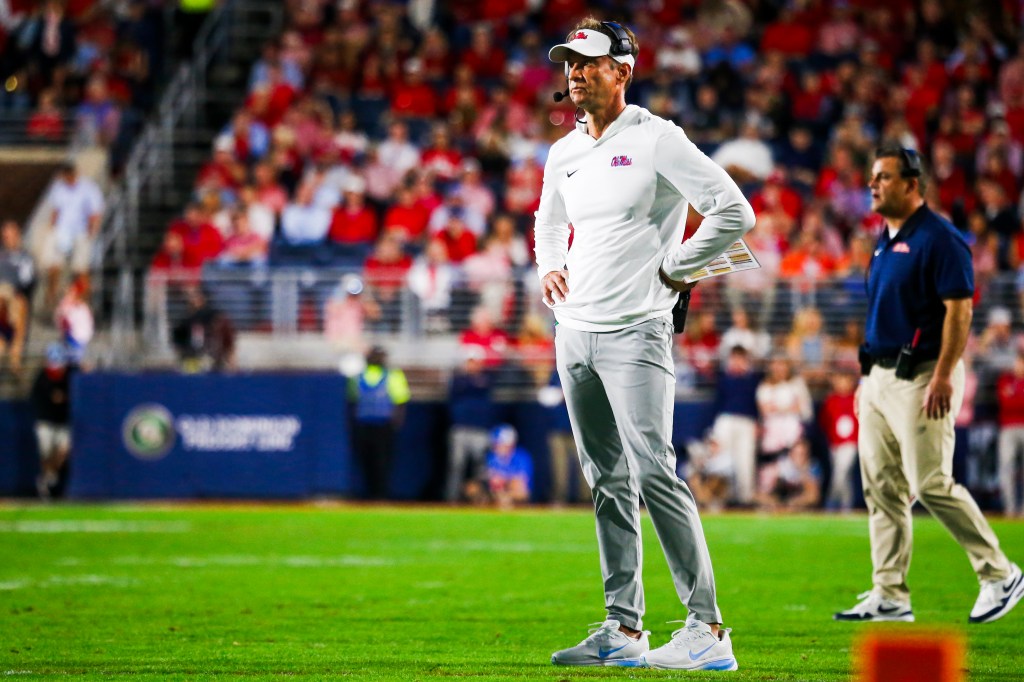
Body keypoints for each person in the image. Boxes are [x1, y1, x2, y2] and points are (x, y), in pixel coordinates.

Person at [536, 19, 754, 671]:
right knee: (605, 480)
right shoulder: (563, 152)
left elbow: (734, 211)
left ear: (623, 71)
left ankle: (708, 628)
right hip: (573, 332)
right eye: (570, 63)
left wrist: (680, 267)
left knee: (655, 472)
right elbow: (546, 222)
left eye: (589, 62)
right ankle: (624, 628)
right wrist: (549, 264)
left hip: (636, 331)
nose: (575, 72)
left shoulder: (658, 139)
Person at [834, 144, 1023, 625]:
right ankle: (890, 593)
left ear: (912, 184)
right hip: (878, 376)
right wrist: (866, 380)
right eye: (872, 177)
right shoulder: (884, 237)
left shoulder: (941, 238)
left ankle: (1000, 574)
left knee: (931, 482)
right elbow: (883, 314)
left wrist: (943, 373)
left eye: (884, 177)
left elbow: (961, 310)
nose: (873, 185)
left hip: (922, 375)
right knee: (881, 487)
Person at [348, 346, 410, 500]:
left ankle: (380, 494)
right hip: (365, 424)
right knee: (367, 461)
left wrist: (396, 422)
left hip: (383, 425)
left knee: (381, 461)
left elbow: (400, 401)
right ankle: (370, 493)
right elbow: (353, 401)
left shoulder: (392, 375)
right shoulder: (358, 376)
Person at [40, 162, 104, 310]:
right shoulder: (59, 187)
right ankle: (51, 298)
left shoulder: (89, 188)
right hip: (62, 230)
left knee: (80, 268)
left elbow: (95, 213)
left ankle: (83, 302)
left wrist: (91, 233)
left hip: (82, 231)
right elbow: (56, 211)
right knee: (53, 264)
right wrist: (53, 228)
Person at [31, 343, 72, 500]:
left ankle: (50, 477)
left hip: (63, 422)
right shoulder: (42, 378)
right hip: (46, 421)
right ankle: (47, 479)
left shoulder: (69, 374)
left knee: (63, 449)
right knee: (46, 452)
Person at [473, 424, 533, 508]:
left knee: (516, 484)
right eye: (496, 444)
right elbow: (485, 476)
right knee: (472, 487)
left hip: (513, 491)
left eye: (500, 444)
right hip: (494, 491)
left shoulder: (521, 456)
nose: (497, 447)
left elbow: (521, 482)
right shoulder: (490, 456)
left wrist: (504, 480)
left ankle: (506, 501)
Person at [996, 350, 1024, 518]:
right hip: (1007, 427)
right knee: (1006, 467)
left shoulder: (1009, 384)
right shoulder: (1005, 380)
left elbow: (1014, 402)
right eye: (1018, 362)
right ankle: (1009, 509)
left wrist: (1014, 396)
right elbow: (1005, 403)